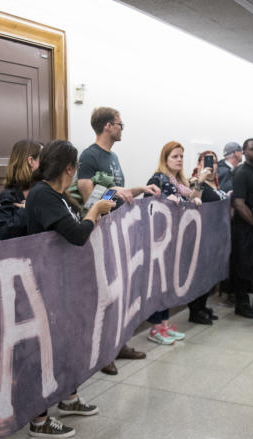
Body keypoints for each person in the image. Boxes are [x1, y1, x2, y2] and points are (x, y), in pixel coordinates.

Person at [23, 140, 114, 438]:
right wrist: (93, 213)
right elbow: (76, 235)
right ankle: (38, 418)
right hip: (44, 284)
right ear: (69, 168)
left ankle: (69, 396)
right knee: (46, 348)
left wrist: (94, 213)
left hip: (62, 283)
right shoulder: (43, 195)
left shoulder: (59, 196)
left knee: (66, 343)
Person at [76, 107, 157, 362]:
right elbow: (89, 200)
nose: (122, 128)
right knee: (106, 293)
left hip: (118, 232)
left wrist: (139, 188)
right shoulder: (89, 157)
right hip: (100, 234)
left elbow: (117, 192)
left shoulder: (113, 157)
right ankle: (104, 352)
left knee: (122, 289)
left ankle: (119, 342)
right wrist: (114, 191)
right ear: (108, 126)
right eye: (120, 124)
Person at [145, 141, 201, 344]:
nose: (179, 160)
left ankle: (165, 324)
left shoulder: (180, 182)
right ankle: (155, 328)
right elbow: (147, 206)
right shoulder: (157, 179)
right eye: (174, 156)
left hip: (176, 242)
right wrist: (166, 203)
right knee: (158, 286)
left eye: (181, 156)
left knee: (168, 286)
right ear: (165, 158)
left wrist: (191, 201)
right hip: (160, 241)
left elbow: (188, 199)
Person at [187, 150, 228, 324]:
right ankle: (195, 310)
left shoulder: (217, 185)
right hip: (201, 237)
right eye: (206, 161)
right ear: (198, 164)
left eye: (215, 161)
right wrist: (202, 177)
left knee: (209, 274)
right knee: (199, 275)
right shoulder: (195, 182)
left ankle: (202, 306)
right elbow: (193, 200)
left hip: (216, 236)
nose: (212, 165)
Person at [230, 138, 253, 318]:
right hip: (245, 227)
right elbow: (238, 203)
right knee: (243, 265)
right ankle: (241, 304)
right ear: (244, 152)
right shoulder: (241, 173)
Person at [0, 139, 42, 241]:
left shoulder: (44, 191)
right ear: (31, 161)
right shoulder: (9, 196)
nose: (47, 163)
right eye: (43, 158)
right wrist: (25, 210)